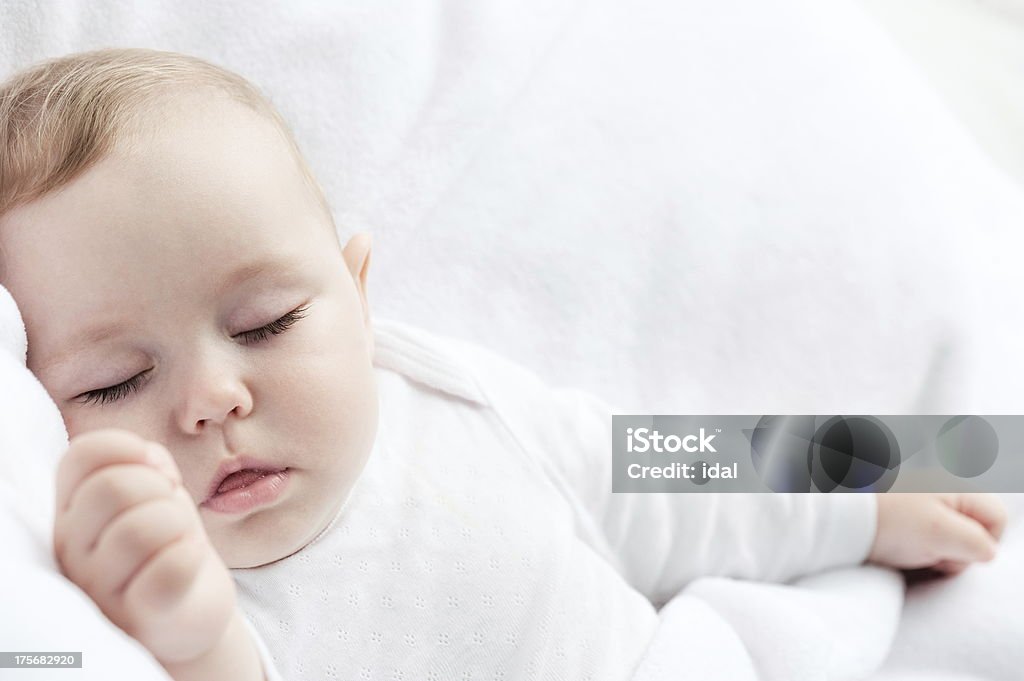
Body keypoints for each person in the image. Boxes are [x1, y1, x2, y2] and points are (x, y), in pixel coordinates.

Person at [0, 48, 1008, 681]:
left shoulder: (449, 404)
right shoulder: (167, 588)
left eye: (266, 323)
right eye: (112, 384)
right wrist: (176, 626)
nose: (214, 399)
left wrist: (864, 503)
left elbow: (657, 474)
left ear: (356, 295)